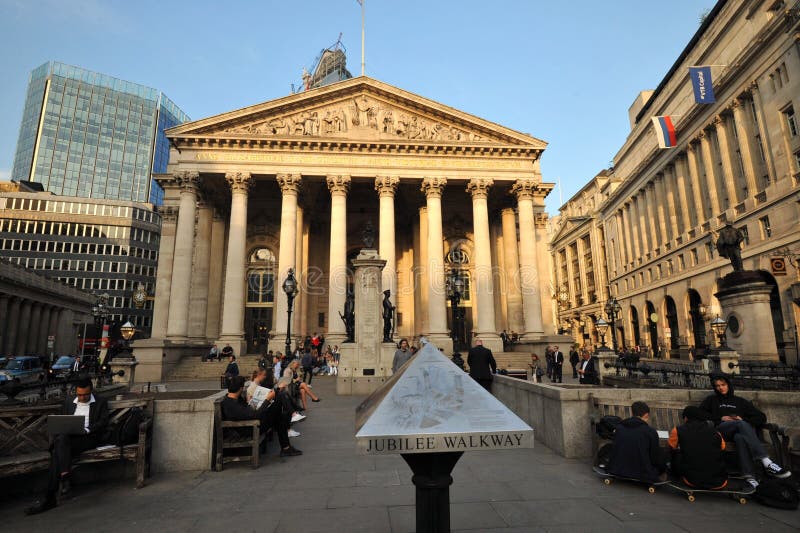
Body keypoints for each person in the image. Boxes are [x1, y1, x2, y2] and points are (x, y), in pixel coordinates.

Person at [26, 376, 110, 515]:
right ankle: (63, 479)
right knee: (60, 443)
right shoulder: (69, 402)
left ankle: (51, 498)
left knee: (58, 450)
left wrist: (87, 429)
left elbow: (103, 422)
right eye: (79, 394)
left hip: (88, 438)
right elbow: (63, 422)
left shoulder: (100, 402)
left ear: (91, 391)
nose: (82, 398)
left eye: (85, 395)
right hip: (68, 440)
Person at [700, 373, 790, 482]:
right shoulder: (711, 400)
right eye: (717, 386)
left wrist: (743, 420)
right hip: (722, 431)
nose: (720, 388)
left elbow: (761, 417)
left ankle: (749, 477)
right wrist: (720, 418)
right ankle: (766, 462)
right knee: (740, 424)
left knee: (740, 437)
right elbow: (699, 414)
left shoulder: (740, 402)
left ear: (728, 385)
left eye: (723, 385)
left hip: (739, 431)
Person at [221, 376, 301, 458]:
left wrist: (252, 402)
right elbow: (255, 415)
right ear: (241, 388)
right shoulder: (232, 405)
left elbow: (247, 412)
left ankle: (286, 447)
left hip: (253, 423)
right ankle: (293, 416)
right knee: (280, 399)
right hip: (251, 428)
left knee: (280, 413)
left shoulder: (231, 399)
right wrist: (267, 400)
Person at [668, 406, 730, 490]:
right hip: (719, 481)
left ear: (686, 418)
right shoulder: (715, 432)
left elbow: (671, 448)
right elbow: (723, 448)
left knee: (676, 453)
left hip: (692, 480)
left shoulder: (678, 430)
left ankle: (674, 475)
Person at [606, 401, 668, 483]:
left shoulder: (620, 427)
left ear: (632, 412)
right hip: (643, 473)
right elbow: (654, 457)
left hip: (617, 469)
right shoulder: (650, 432)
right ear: (646, 415)